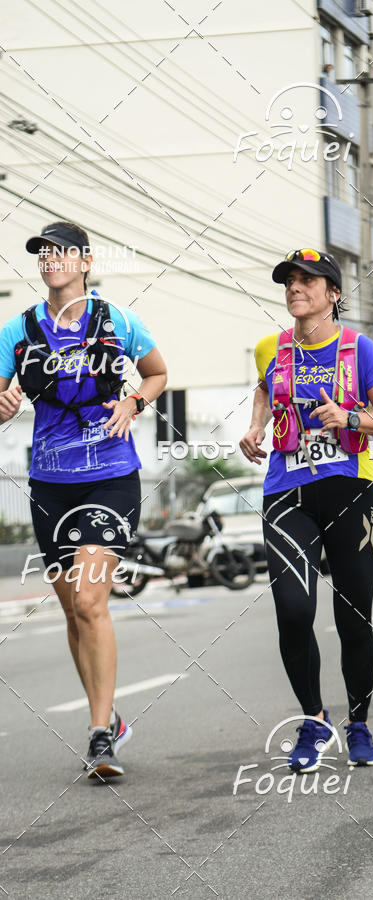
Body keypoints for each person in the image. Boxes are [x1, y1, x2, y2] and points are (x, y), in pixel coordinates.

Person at [0, 221, 167, 779]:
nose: (50, 260)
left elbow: (157, 373)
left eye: (60, 252)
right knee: (73, 610)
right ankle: (109, 717)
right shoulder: (17, 330)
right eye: (42, 253)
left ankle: (99, 735)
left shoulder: (118, 319)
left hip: (111, 475)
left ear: (85, 260)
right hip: (49, 483)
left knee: (93, 602)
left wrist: (135, 405)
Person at [240, 248, 373, 771]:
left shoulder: (361, 350)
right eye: (289, 281)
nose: (295, 288)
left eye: (308, 281)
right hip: (286, 492)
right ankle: (314, 721)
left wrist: (350, 417)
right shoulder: (272, 345)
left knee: (353, 616)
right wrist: (255, 426)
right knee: (293, 611)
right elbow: (267, 390)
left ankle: (359, 724)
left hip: (352, 491)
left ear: (333, 294)